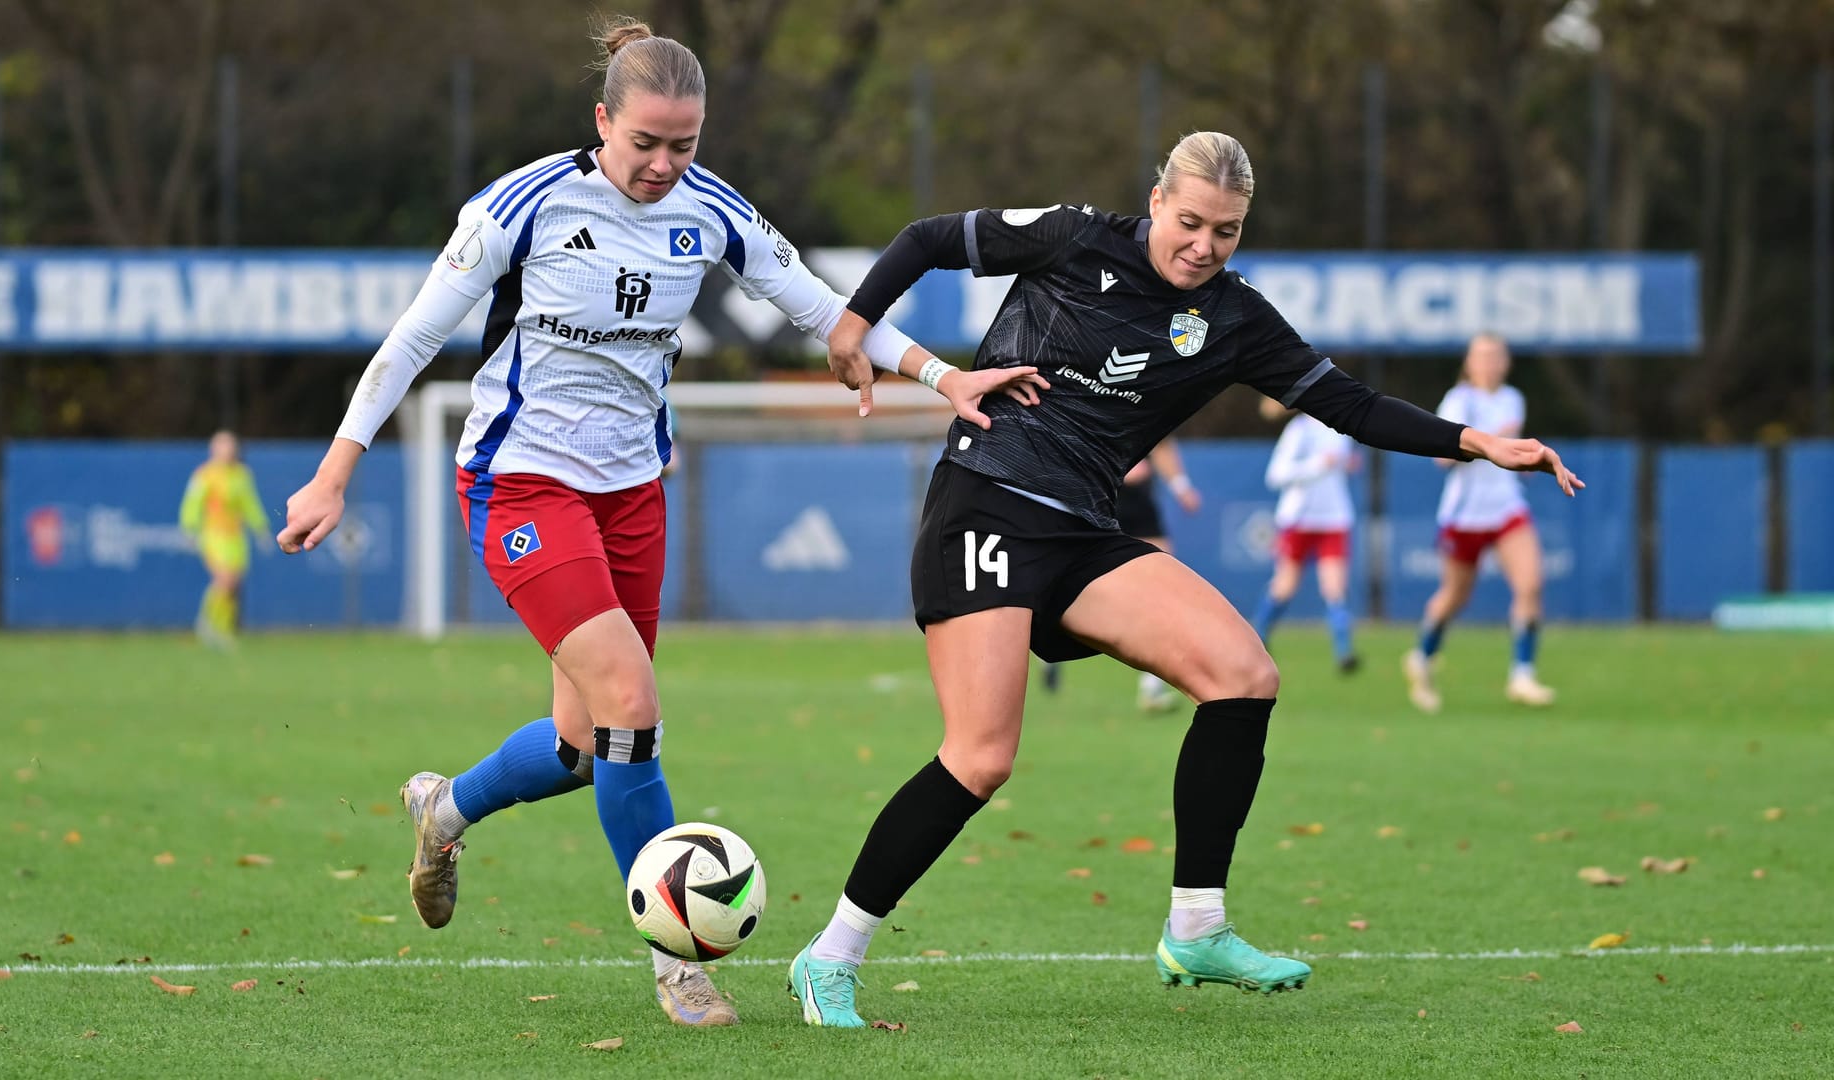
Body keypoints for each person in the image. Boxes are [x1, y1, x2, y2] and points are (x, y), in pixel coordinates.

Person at [270, 18, 1041, 1028]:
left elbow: (816, 304)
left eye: (685, 144)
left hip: (633, 491)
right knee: (633, 702)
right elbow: (412, 340)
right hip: (522, 486)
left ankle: (443, 809)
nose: (664, 164)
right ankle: (677, 958)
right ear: (603, 121)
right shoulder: (524, 205)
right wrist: (334, 474)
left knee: (581, 745)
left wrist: (939, 375)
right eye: (645, 143)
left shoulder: (710, 211)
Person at [790, 130, 1582, 1027]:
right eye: (1191, 222)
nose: (1204, 246)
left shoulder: (1236, 317)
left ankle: (1196, 924)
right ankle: (830, 958)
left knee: (1244, 676)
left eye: (1228, 232)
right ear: (1157, 201)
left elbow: (1350, 405)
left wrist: (1474, 442)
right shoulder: (1073, 234)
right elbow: (931, 238)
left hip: (1086, 531)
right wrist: (852, 325)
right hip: (988, 502)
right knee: (982, 756)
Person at [1403, 333, 1555, 712]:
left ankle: (1523, 674)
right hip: (1464, 516)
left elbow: (1512, 454)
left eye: (1495, 355)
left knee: (1531, 584)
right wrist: (1487, 442)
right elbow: (1441, 458)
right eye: (1481, 356)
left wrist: (1526, 462)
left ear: (1506, 362)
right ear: (1469, 363)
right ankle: (1421, 657)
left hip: (1505, 509)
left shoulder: (1512, 398)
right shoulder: (1460, 400)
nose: (1488, 363)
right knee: (1455, 597)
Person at [1040, 440, 1201, 710]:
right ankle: (1049, 643)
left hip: (1139, 502)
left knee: (1162, 591)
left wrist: (1180, 486)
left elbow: (1162, 444)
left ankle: (1152, 687)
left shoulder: (1150, 402)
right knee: (1076, 585)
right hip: (1099, 497)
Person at [1250, 395, 1360, 673]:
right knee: (1285, 586)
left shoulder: (1339, 430)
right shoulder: (1298, 430)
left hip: (1334, 518)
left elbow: (1341, 464)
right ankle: (1257, 637)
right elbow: (1276, 475)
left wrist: (1342, 465)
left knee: (1334, 588)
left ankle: (1344, 651)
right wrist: (1318, 465)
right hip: (1297, 519)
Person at [179, 430, 269, 647]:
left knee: (234, 585)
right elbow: (192, 504)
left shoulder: (242, 475)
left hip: (236, 537)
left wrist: (261, 529)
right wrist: (190, 529)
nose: (227, 451)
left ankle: (223, 629)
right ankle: (206, 622)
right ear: (213, 449)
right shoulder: (204, 475)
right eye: (222, 446)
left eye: (230, 446)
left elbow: (250, 504)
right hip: (213, 535)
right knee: (224, 580)